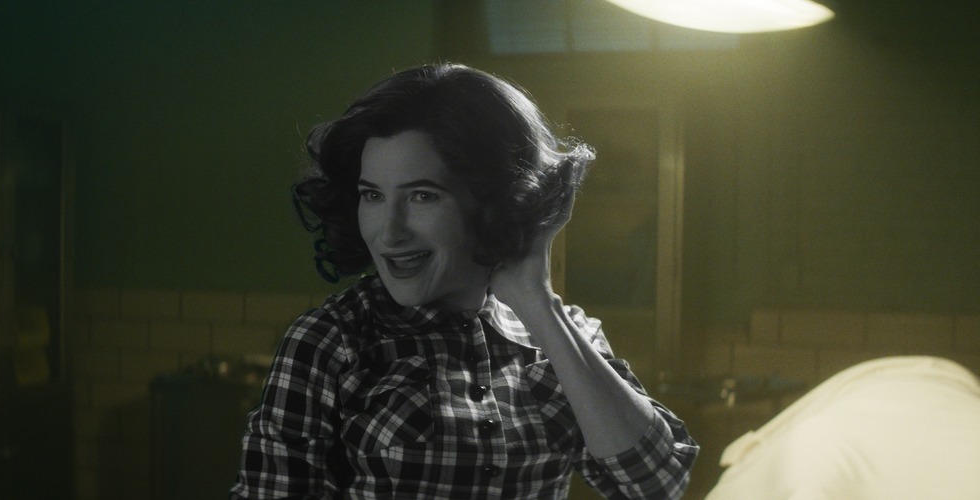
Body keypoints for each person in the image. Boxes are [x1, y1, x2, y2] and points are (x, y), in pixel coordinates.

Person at [230, 63, 698, 499]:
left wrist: (537, 304)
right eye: (372, 196)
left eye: (422, 196)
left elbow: (656, 485)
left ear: (495, 201)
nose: (389, 232)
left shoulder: (564, 336)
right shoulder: (330, 341)